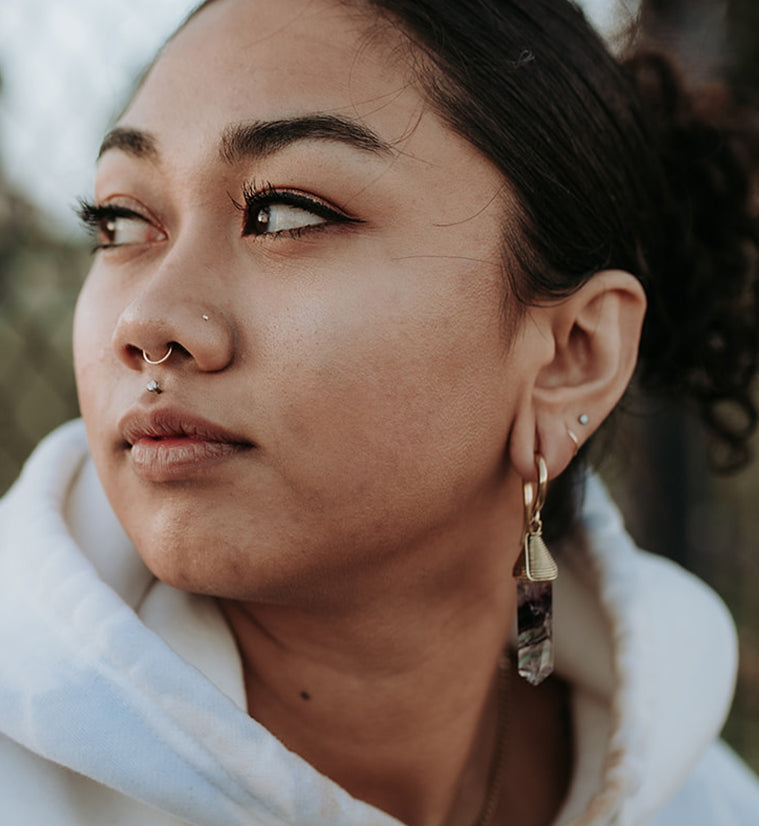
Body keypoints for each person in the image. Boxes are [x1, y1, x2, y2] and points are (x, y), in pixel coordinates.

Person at [1, 0, 759, 823]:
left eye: (285, 213)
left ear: (573, 356)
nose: (143, 323)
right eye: (119, 222)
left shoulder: (702, 803)